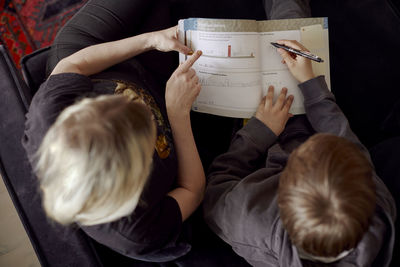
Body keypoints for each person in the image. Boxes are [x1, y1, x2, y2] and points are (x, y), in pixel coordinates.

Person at [22, 16, 208, 262]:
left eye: (107, 102)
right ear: (138, 172)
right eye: (143, 121)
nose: (130, 99)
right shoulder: (139, 232)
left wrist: (150, 40)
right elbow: (192, 191)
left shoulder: (50, 115)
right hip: (176, 117)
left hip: (103, 65)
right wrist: (177, 113)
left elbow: (74, 65)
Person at [203, 40, 396, 266]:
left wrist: (259, 132)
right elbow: (343, 138)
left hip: (263, 135)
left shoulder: (246, 216)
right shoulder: (377, 206)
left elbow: (216, 188)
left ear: (281, 188)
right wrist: (311, 84)